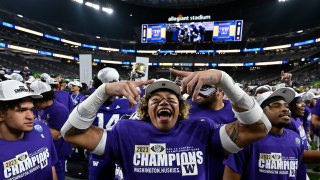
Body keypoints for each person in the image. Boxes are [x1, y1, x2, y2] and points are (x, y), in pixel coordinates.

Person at [61, 69, 271, 179]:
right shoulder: (126, 132)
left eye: (171, 99)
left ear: (181, 108)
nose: (164, 101)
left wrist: (224, 80)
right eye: (155, 99)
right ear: (145, 108)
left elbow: (259, 127)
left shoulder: (202, 130)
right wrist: (102, 91)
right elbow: (71, 134)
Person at [224, 88, 320, 180]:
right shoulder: (246, 140)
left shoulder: (295, 138)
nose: (285, 109)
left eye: (286, 106)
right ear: (260, 111)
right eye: (276, 106)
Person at [0, 80, 58, 179]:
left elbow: (51, 168)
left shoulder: (42, 129)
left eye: (31, 109)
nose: (31, 116)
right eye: (22, 110)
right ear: (1, 114)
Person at [30, 81, 72, 180]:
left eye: (35, 101)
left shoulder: (60, 110)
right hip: (45, 152)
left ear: (45, 99)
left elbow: (56, 134)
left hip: (57, 153)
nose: (34, 104)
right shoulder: (38, 107)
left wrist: (32, 131)